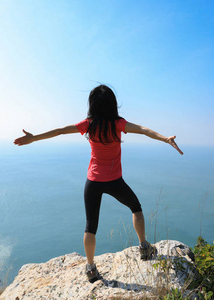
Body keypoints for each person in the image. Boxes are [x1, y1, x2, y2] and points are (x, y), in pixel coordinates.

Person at [14, 84, 183, 283]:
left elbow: (60, 131)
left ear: (92, 105)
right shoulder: (119, 124)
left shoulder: (89, 124)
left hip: (93, 181)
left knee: (90, 226)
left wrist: (34, 138)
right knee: (136, 208)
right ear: (112, 104)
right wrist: (165, 139)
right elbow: (144, 130)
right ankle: (144, 247)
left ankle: (91, 268)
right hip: (114, 181)